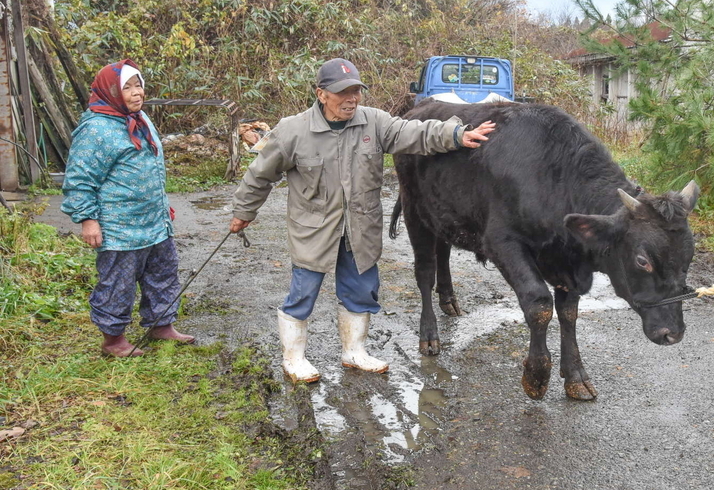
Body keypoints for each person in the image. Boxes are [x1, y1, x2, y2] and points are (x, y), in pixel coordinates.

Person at [230, 58, 495, 383]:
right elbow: (259, 175)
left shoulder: (374, 122)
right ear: (321, 94)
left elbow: (414, 132)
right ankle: (294, 358)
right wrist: (244, 212)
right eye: (343, 92)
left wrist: (456, 134)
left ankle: (354, 351)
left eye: (356, 91)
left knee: (361, 291)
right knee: (303, 294)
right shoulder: (293, 130)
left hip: (360, 229)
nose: (352, 98)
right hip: (314, 231)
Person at [61, 59, 194, 358]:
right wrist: (88, 220)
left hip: (154, 221)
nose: (137, 93)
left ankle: (161, 325)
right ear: (111, 91)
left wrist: (160, 205)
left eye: (139, 85)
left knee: (163, 273)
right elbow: (80, 178)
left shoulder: (141, 118)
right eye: (128, 88)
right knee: (118, 283)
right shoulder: (96, 128)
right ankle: (113, 339)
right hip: (119, 226)